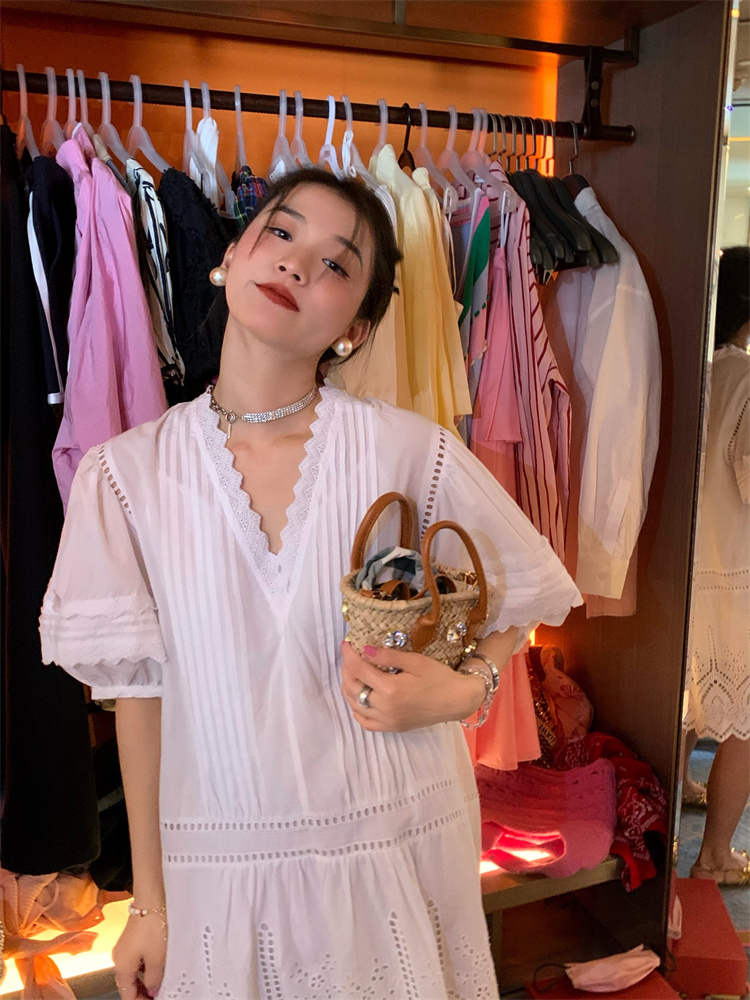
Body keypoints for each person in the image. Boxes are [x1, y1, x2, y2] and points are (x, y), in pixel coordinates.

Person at [40, 169, 581, 999]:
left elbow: (529, 588)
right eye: (282, 233)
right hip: (224, 861)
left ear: (355, 329)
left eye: (336, 264)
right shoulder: (122, 478)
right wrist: (150, 905)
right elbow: (139, 701)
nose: (296, 264)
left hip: (396, 840)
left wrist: (465, 688)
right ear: (230, 256)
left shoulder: (409, 450)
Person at [684, 245, 750, 886]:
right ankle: (715, 856)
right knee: (742, 722)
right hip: (735, 573)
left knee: (685, 697)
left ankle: (682, 783)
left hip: (684, 564)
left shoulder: (695, 370)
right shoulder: (746, 379)